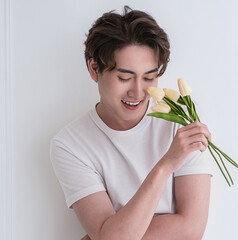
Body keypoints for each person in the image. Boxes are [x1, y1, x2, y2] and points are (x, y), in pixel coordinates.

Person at [50, 6, 214, 240]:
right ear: (94, 69)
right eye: (124, 78)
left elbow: (191, 229)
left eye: (149, 77)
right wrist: (165, 166)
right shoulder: (70, 145)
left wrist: (113, 232)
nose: (138, 92)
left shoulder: (182, 125)